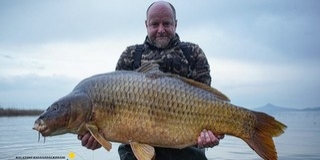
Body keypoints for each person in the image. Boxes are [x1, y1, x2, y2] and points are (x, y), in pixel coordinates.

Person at [78, 1, 224, 159]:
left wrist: (210, 136)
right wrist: (97, 136)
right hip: (134, 151)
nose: (161, 30)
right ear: (146, 24)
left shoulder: (193, 53)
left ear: (175, 24)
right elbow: (113, 113)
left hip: (186, 151)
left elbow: (207, 104)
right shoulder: (131, 55)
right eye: (155, 24)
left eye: (166, 23)